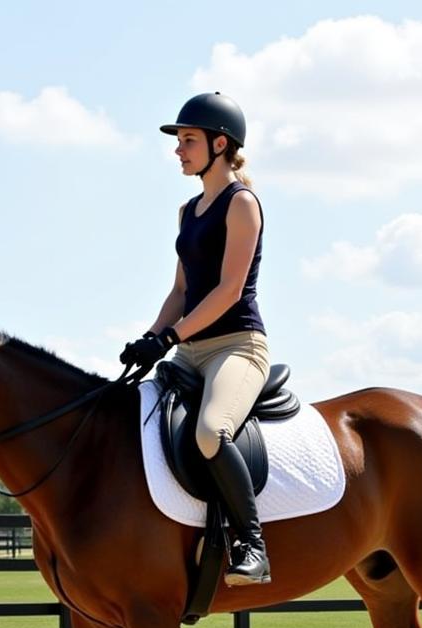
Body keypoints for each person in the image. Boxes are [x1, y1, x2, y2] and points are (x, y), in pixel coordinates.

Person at [120, 92, 271, 586]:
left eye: (188, 140)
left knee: (210, 431)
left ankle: (252, 543)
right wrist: (150, 338)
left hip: (237, 347)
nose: (178, 150)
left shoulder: (242, 204)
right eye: (179, 140)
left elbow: (228, 291)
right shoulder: (188, 211)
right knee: (124, 412)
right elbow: (181, 289)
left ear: (219, 144)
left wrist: (169, 337)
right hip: (189, 350)